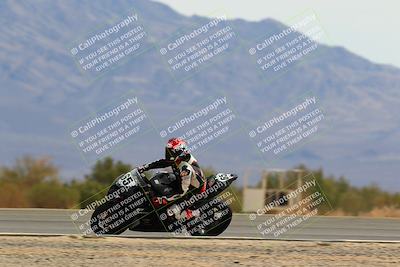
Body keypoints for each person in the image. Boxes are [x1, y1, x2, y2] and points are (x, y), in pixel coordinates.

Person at [138, 138, 206, 209]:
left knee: (171, 211)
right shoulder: (179, 158)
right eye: (168, 150)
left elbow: (182, 191)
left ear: (178, 151)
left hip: (194, 195)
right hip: (183, 184)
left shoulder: (186, 168)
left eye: (171, 151)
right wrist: (144, 167)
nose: (168, 153)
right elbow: (162, 163)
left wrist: (164, 199)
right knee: (161, 176)